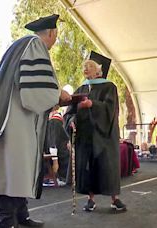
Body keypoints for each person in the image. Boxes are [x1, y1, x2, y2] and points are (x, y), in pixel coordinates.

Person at [0, 14, 71, 228]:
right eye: (55, 37)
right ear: (51, 33)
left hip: (10, 119)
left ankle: (21, 215)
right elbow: (35, 93)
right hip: (17, 122)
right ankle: (7, 222)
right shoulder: (35, 45)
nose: (54, 42)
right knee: (12, 172)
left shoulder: (20, 45)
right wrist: (57, 95)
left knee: (16, 171)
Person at [64, 51, 126, 212]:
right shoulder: (81, 88)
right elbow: (69, 112)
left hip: (104, 135)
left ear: (98, 71)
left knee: (107, 166)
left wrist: (93, 104)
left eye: (89, 66)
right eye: (84, 67)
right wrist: (71, 122)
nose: (85, 69)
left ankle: (115, 199)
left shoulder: (109, 87)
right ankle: (90, 199)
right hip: (86, 136)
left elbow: (110, 109)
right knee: (88, 167)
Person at [44, 110, 70, 186]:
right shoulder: (57, 118)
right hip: (60, 151)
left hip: (60, 154)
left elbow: (53, 142)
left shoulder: (54, 120)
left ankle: (59, 177)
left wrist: (55, 162)